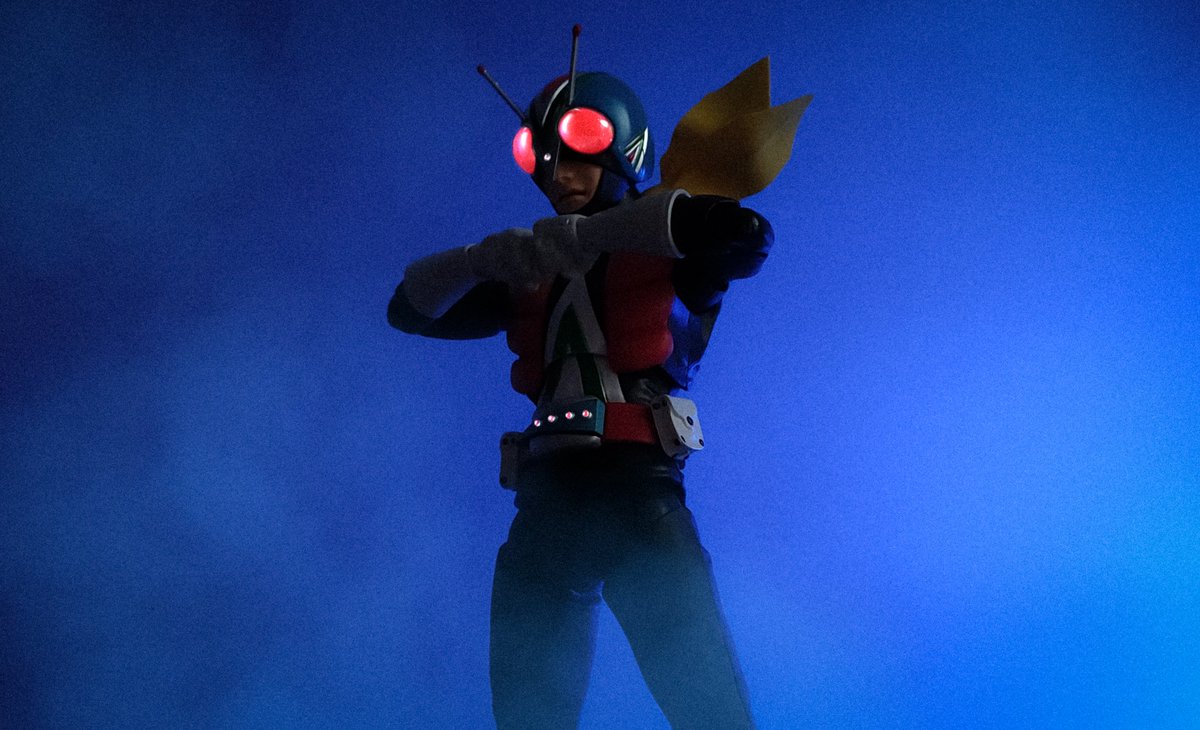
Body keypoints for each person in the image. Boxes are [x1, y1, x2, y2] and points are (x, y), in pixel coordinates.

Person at [389, 66, 777, 729]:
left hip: (639, 493)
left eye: (577, 158)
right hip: (547, 499)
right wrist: (481, 259)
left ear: (622, 152)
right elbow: (409, 310)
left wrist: (595, 236)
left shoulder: (666, 255)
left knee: (708, 706)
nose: (559, 176)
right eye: (547, 162)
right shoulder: (532, 272)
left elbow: (744, 234)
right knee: (528, 713)